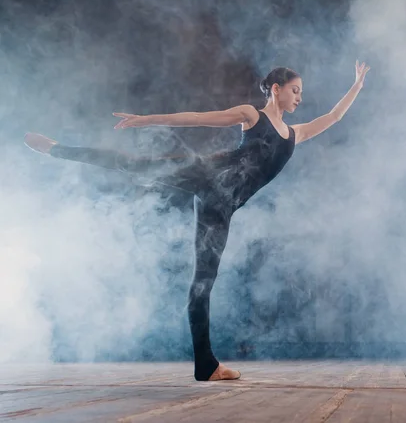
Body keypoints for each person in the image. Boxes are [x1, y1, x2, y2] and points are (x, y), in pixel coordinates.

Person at [24, 60, 371, 381]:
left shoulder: (296, 134)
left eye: (302, 92)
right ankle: (56, 149)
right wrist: (147, 120)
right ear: (277, 89)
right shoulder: (252, 115)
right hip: (207, 174)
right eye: (295, 90)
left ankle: (206, 366)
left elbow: (335, 116)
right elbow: (197, 117)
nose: (300, 97)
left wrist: (356, 85)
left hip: (221, 206)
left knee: (203, 283)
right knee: (134, 164)